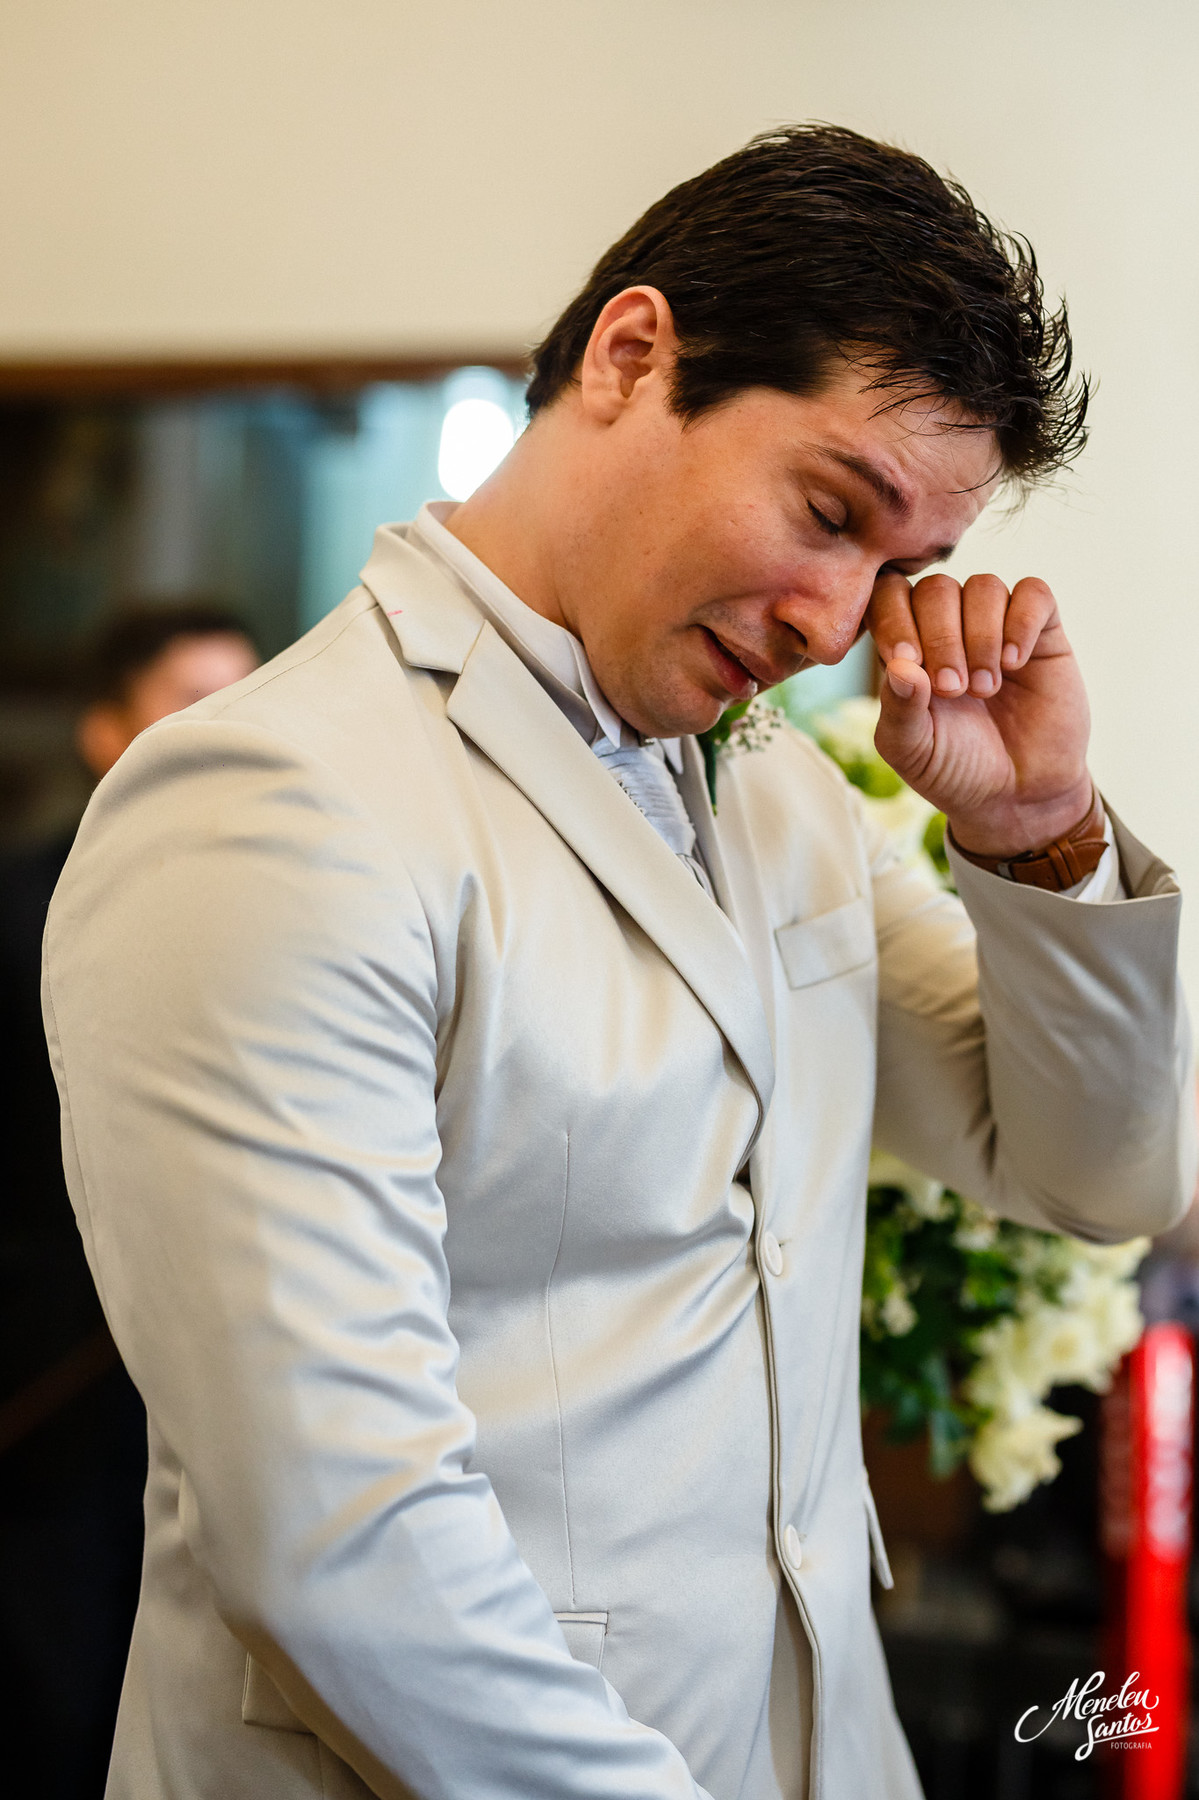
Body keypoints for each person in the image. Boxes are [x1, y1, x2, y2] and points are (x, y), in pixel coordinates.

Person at [41, 128, 1193, 1800]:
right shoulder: (270, 804)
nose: (831, 622)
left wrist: (1039, 836)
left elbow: (1097, 1173)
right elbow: (338, 1536)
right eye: (826, 509)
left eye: (895, 569)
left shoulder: (782, 794)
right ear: (630, 354)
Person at [0, 604, 257, 1799]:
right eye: (186, 699)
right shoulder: (16, 902)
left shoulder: (287, 894)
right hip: (56, 1360)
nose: (226, 728)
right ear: (107, 731)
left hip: (232, 1353)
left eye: (242, 696)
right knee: (59, 1661)